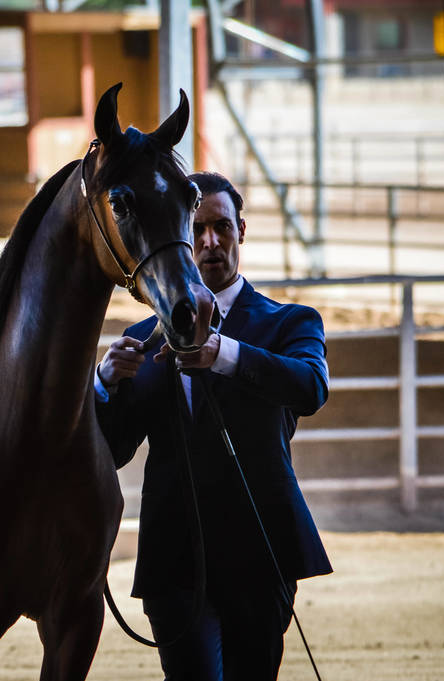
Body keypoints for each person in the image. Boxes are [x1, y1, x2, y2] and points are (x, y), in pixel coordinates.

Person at [94, 172, 332, 680]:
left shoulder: (290, 322)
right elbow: (112, 450)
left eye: (221, 227)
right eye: (197, 229)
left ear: (241, 230)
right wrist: (102, 384)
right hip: (174, 555)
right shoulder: (140, 339)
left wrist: (223, 353)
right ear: (180, 233)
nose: (209, 242)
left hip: (261, 546)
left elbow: (311, 388)